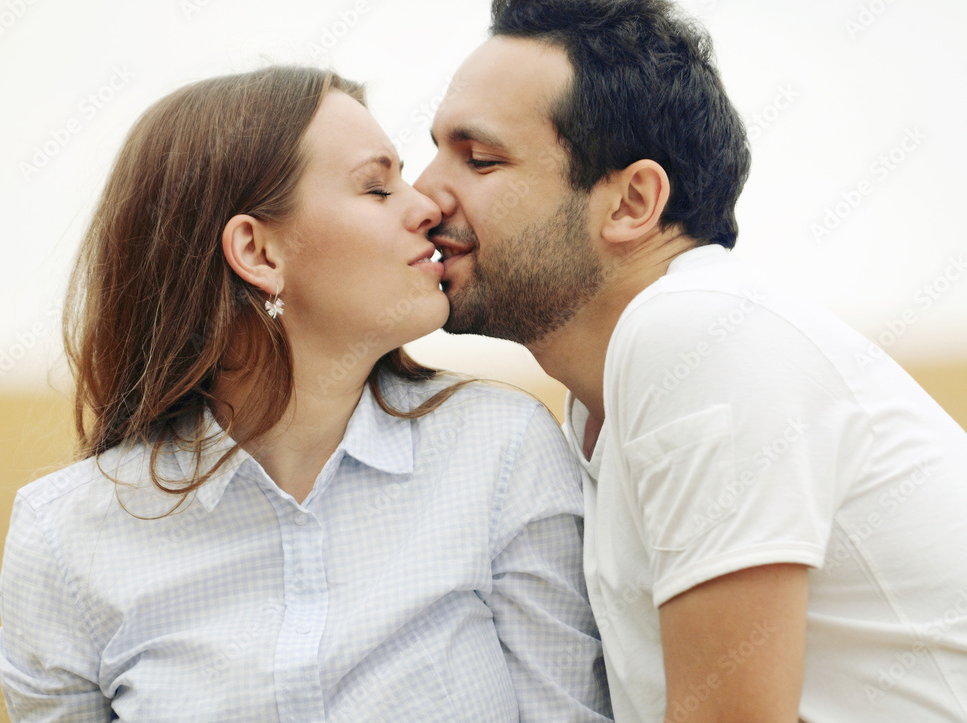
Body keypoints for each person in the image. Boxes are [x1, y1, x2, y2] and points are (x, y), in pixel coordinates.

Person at [0, 65, 612, 721]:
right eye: (377, 188)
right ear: (257, 252)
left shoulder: (502, 449)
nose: (428, 206)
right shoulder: (62, 539)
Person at [413, 0, 967, 720]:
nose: (422, 195)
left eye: (480, 159)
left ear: (631, 202)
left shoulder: (693, 332)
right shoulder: (599, 404)